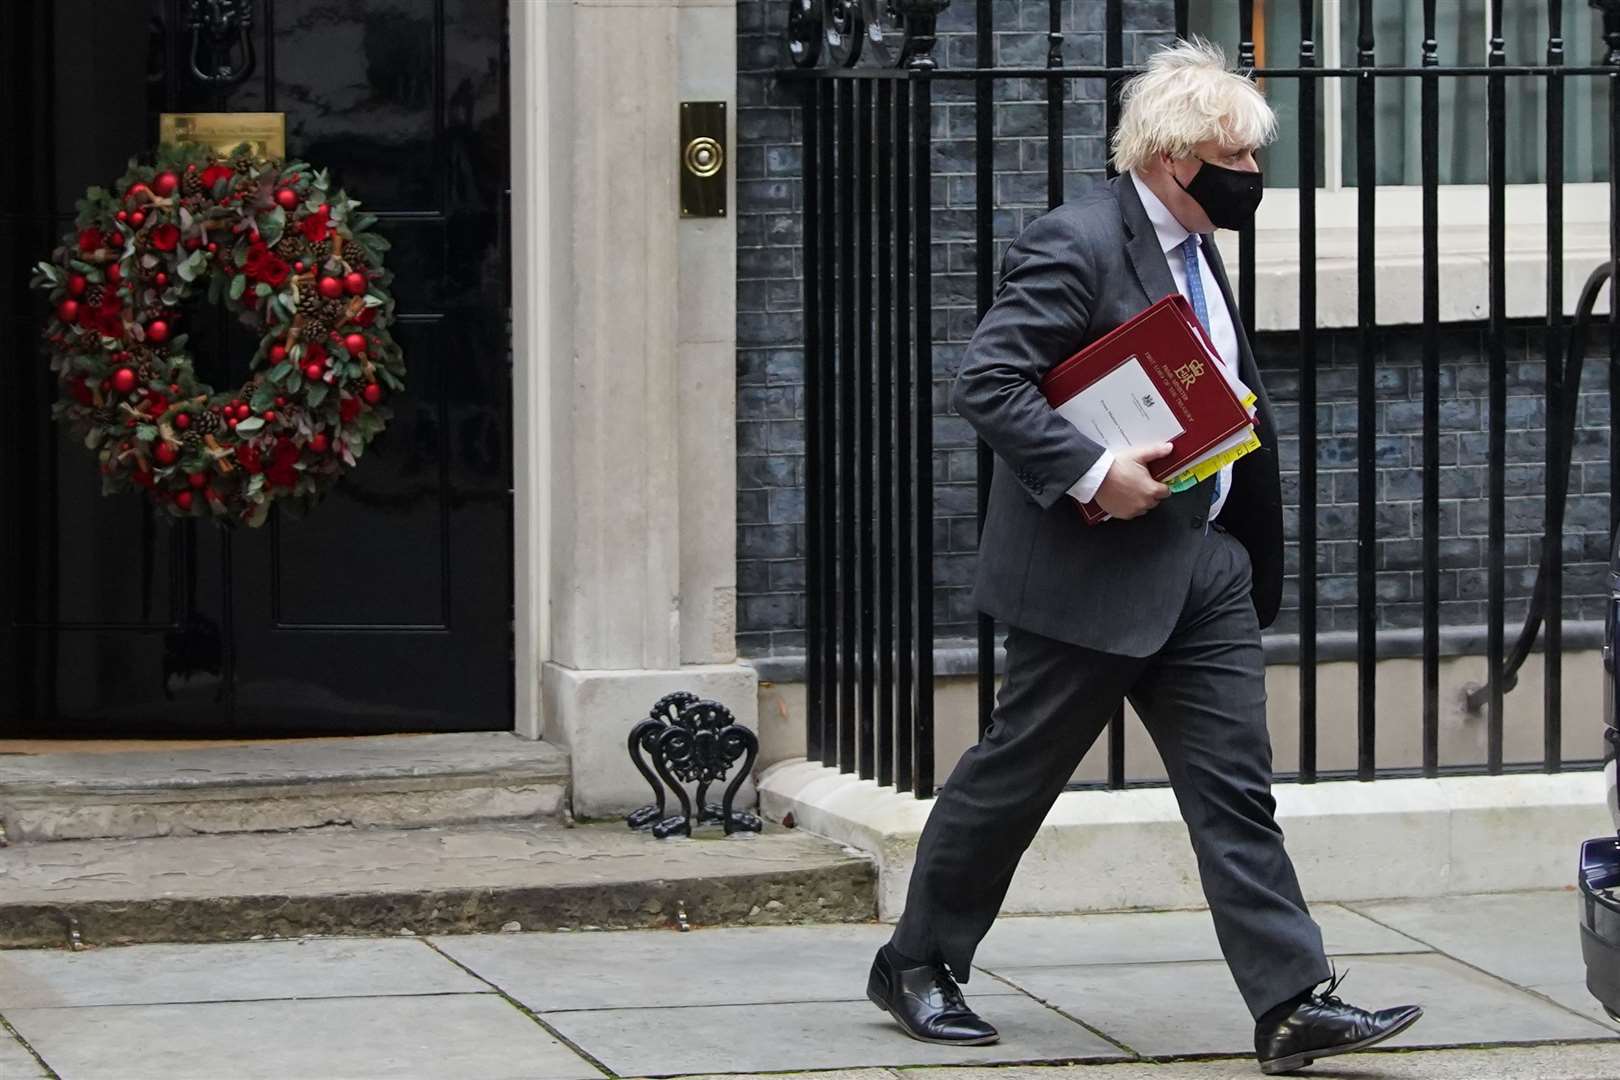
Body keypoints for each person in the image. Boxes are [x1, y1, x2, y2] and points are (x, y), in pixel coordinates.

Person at [863, 39, 1423, 1076]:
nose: (1250, 179)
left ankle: (1292, 1001)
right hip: (1092, 568)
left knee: (1235, 790)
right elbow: (988, 384)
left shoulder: (1195, 247)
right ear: (1171, 158)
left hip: (1201, 564)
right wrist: (1091, 472)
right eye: (1236, 161)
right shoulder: (1074, 244)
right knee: (1012, 781)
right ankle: (916, 963)